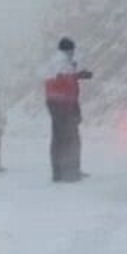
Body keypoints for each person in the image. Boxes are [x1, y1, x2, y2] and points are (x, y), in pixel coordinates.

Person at [44, 37, 93, 182]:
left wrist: (77, 75)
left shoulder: (56, 62)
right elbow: (65, 80)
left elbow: (62, 80)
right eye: (72, 50)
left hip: (57, 104)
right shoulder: (61, 61)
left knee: (59, 139)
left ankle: (59, 172)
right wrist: (79, 74)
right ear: (68, 49)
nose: (73, 53)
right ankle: (70, 171)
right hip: (63, 105)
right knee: (70, 139)